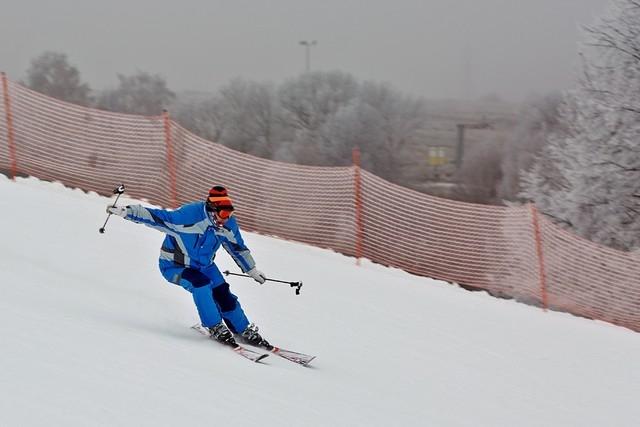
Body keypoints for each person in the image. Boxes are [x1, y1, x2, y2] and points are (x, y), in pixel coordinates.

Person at [106, 185, 270, 348]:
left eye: (230, 213)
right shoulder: (187, 217)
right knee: (201, 283)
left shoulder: (227, 225)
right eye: (224, 213)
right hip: (175, 266)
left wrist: (251, 269)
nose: (227, 218)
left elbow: (238, 248)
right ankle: (215, 326)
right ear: (212, 210)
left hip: (205, 265)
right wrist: (126, 211)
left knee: (223, 293)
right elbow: (155, 216)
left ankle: (242, 329)